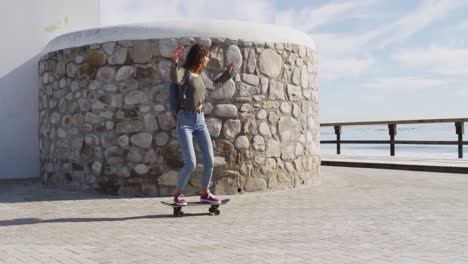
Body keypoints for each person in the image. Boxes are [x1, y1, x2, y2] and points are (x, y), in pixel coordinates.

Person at [170, 44, 235, 206]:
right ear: (199, 57)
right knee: (191, 162)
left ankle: (205, 193)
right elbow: (174, 78)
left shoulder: (201, 76)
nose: (208, 59)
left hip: (199, 120)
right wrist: (175, 61)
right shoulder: (185, 73)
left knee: (209, 160)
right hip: (185, 121)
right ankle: (178, 194)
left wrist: (228, 73)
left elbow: (214, 86)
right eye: (206, 56)